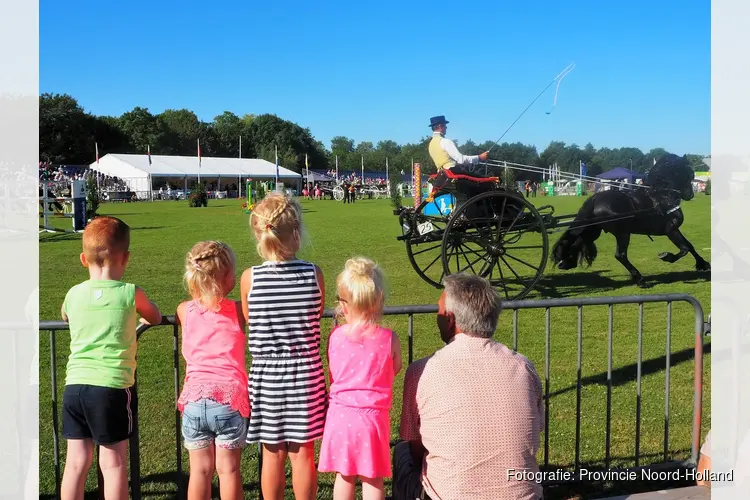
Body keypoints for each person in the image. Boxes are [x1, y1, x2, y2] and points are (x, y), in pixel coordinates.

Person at [394, 273, 544, 500]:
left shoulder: (422, 371)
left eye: (439, 312)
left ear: (450, 319)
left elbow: (415, 446)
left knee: (402, 451)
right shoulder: (523, 367)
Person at [59, 216, 162, 500]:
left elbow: (65, 315)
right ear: (125, 257)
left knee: (76, 463)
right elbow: (153, 316)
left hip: (75, 387)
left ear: (83, 258)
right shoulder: (130, 293)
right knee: (113, 463)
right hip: (112, 388)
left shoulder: (73, 294)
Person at [240, 193, 327, 500]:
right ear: (296, 232)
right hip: (305, 373)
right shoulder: (313, 274)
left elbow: (251, 321)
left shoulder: (250, 278)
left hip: (267, 377)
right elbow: (315, 315)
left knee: (272, 453)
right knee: (303, 454)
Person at [318, 257, 403, 500]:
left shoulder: (336, 337)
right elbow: (394, 368)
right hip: (373, 419)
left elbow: (335, 370)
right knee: (372, 477)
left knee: (344, 476)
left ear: (344, 305)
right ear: (379, 300)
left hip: (341, 416)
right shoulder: (389, 338)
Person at [176, 241, 249, 500]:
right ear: (227, 277)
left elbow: (192, 306)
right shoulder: (238, 311)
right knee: (228, 470)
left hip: (194, 399)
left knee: (199, 471)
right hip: (229, 399)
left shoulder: (184, 310)